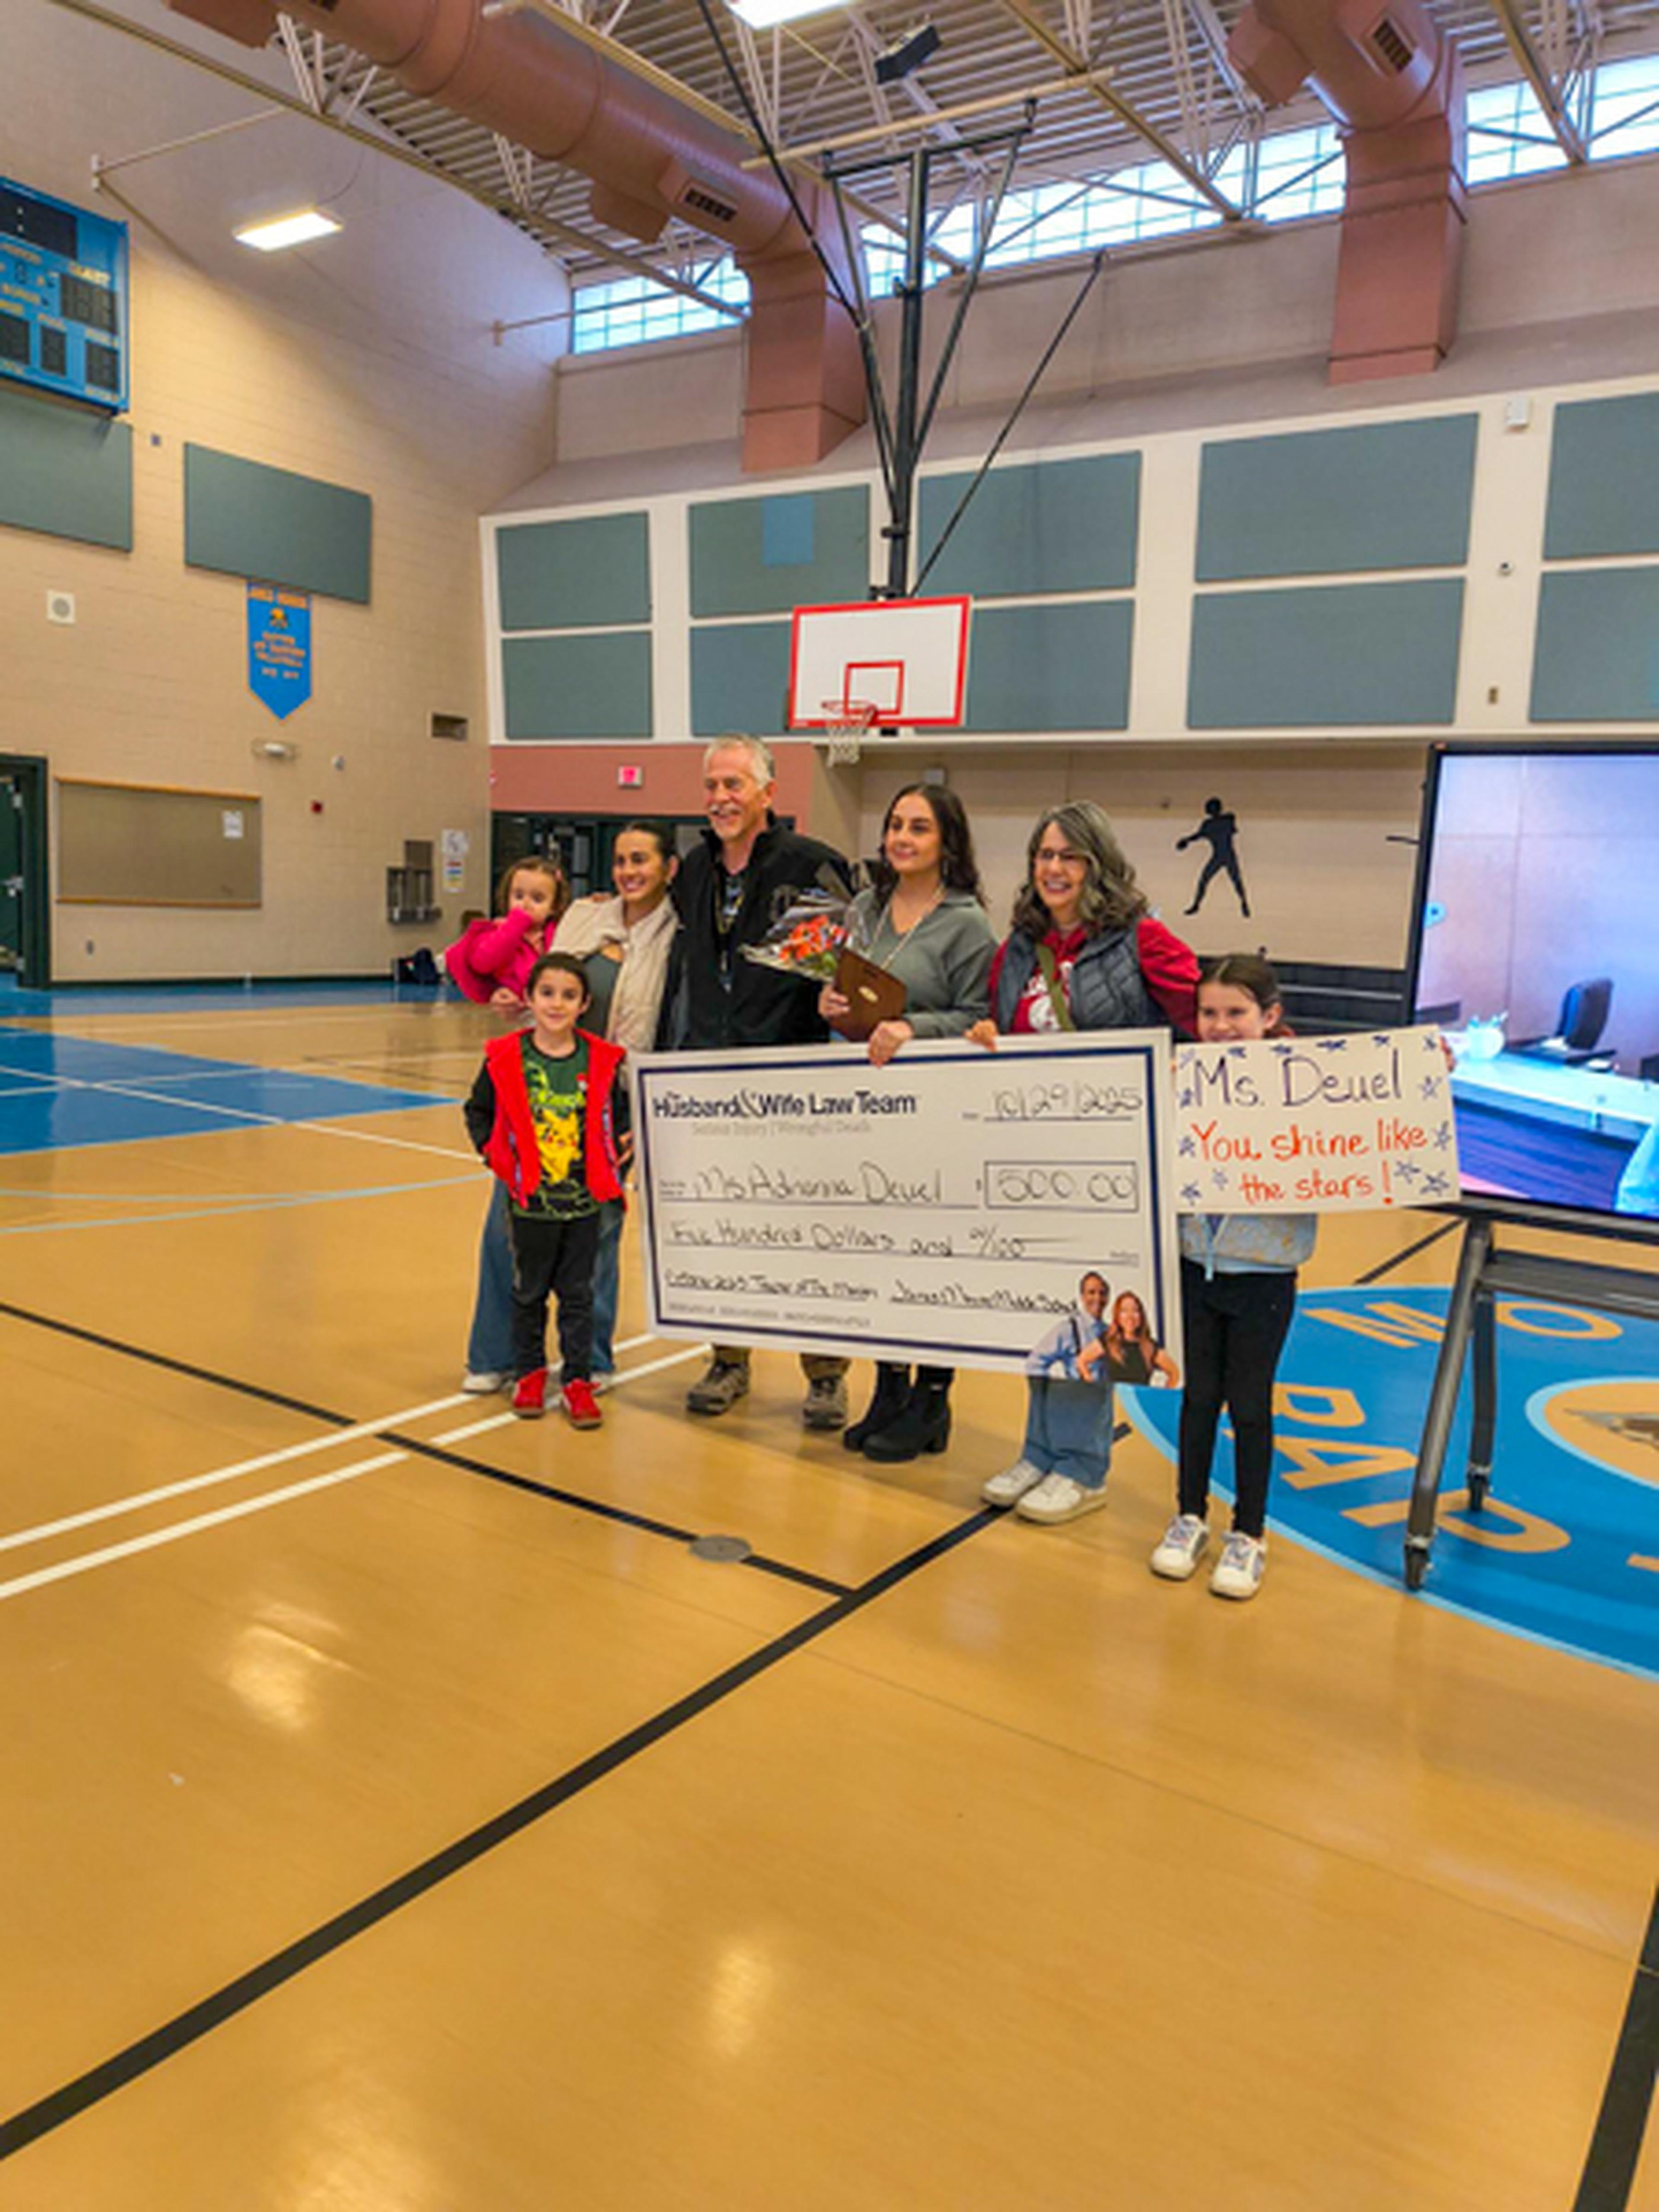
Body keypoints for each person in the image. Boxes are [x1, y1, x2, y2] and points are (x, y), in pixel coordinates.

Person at [661, 735, 855, 1429]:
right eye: (713, 785)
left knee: (806, 1234)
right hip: (708, 1081)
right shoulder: (692, 869)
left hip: (789, 1083)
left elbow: (840, 979)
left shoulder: (813, 868)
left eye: (735, 785)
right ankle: (729, 1357)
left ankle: (827, 1373)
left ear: (769, 793)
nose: (721, 798)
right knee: (724, 1230)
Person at [817, 783, 997, 1462]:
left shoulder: (968, 923)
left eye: (919, 828)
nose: (902, 837)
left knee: (929, 1257)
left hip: (935, 1113)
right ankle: (889, 1389)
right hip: (867, 1111)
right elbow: (845, 991)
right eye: (895, 824)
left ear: (947, 842)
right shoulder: (864, 908)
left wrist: (912, 1026)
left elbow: (981, 1016)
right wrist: (832, 1003)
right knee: (880, 1255)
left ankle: (933, 1399)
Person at [1150, 953, 1316, 1602]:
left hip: (1264, 1272)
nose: (1220, 1026)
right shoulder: (1178, 1077)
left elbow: (1375, 1120)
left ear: (1269, 1018)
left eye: (1236, 1013)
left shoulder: (1310, 1083)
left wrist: (1432, 1069)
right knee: (1196, 1399)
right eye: (1209, 1013)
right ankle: (1189, 1516)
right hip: (1195, 1263)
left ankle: (1249, 1533)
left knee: (1250, 1405)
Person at [462, 953, 628, 1429]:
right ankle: (530, 1372)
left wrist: (617, 1148)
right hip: (529, 1203)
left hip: (583, 1205)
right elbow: (478, 1111)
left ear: (584, 1004)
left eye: (569, 995)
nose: (557, 1004)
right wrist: (496, 1157)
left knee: (578, 1295)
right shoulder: (505, 1057)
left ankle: (578, 1380)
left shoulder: (599, 1058)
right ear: (530, 999)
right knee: (529, 1292)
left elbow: (615, 1117)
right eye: (548, 993)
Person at [550, 821, 680, 1379]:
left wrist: (648, 1113)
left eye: (641, 860)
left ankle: (590, 1359)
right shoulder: (584, 916)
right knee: (529, 1229)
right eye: (622, 860)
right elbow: (545, 981)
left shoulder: (682, 932)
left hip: (621, 1099)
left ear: (669, 868)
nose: (629, 871)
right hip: (557, 1090)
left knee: (599, 1234)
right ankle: (518, 1354)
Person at [449, 854, 572, 1393]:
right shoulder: (503, 934)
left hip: (570, 1072)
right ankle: (494, 1354)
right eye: (518, 894)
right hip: (519, 1070)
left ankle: (582, 1358)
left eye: (538, 897)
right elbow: (485, 958)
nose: (527, 904)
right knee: (508, 1220)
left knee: (581, 1232)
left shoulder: (570, 933)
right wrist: (518, 922)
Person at [968, 801, 1199, 1046]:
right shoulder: (1014, 952)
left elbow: (1205, 1021)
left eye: (1070, 857)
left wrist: (1178, 1064)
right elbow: (998, 1028)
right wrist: (986, 1033)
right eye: (1046, 856)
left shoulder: (1144, 938)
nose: (1054, 869)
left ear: (1097, 866)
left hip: (1116, 1083)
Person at [981, 1272, 1116, 1523]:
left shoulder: (1102, 1330)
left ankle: (1085, 1473)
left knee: (1085, 1377)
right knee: (1043, 1361)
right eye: (1091, 1293)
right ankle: (1041, 1455)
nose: (1097, 1298)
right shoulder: (1068, 1327)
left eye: (1101, 1293)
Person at [1178, 795, 1250, 918]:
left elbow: (1199, 835)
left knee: (1233, 881)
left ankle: (1244, 903)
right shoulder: (1224, 820)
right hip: (1224, 856)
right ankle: (1197, 905)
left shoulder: (1217, 822)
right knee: (1211, 880)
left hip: (1225, 856)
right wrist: (1187, 840)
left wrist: (1186, 841)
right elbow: (1199, 835)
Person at [1105, 1290, 1180, 1387]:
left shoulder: (1149, 1347)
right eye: (1124, 1311)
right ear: (1117, 1316)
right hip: (1115, 1400)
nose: (1130, 1316)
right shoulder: (1109, 1341)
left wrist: (1162, 1399)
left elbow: (1174, 1373)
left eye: (1135, 1311)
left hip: (1140, 1401)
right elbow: (1082, 1361)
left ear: (1141, 1316)